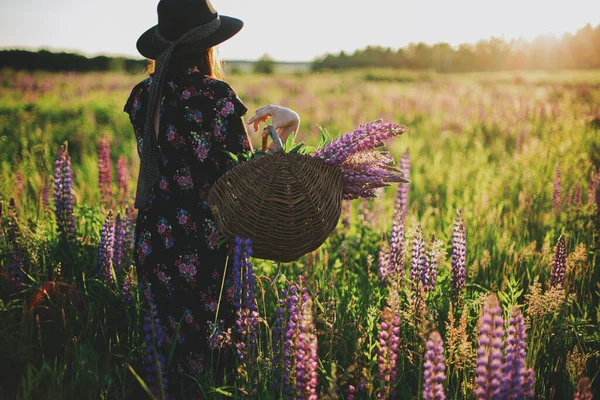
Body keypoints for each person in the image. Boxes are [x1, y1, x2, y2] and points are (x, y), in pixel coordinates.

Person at [123, 0, 300, 397]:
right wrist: (288, 125)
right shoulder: (213, 96)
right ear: (207, 46)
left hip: (153, 237)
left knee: (165, 358)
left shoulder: (140, 96)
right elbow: (244, 181)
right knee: (213, 365)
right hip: (204, 244)